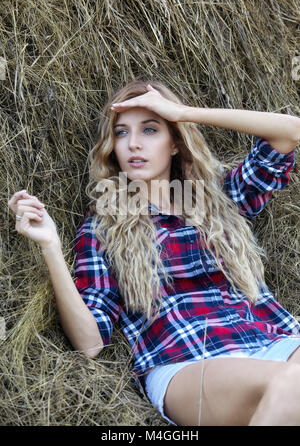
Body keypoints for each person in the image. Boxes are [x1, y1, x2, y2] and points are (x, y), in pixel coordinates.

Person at [8, 80, 300, 426]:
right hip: (190, 360)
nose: (134, 144)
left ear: (175, 143)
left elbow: (289, 132)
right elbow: (90, 343)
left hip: (275, 341)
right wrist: (51, 246)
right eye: (121, 133)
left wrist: (182, 113)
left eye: (150, 129)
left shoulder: (223, 199)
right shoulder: (104, 227)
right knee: (291, 387)